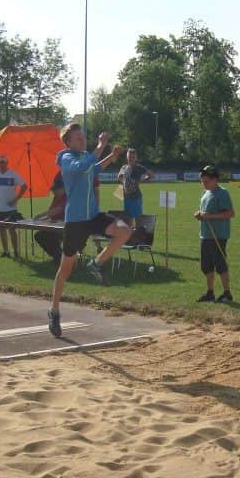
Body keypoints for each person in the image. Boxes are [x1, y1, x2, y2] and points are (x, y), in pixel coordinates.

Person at [48, 124, 129, 337]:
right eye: (77, 138)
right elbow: (84, 167)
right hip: (75, 221)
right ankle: (54, 310)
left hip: (93, 215)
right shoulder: (65, 158)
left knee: (124, 230)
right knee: (66, 269)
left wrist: (111, 155)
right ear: (68, 142)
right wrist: (101, 145)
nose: (82, 141)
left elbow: (94, 168)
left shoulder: (85, 156)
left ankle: (97, 263)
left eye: (83, 137)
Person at [194, 165, 234, 303]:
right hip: (205, 235)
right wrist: (200, 215)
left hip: (218, 235)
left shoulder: (222, 193)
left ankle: (227, 293)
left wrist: (209, 216)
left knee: (220, 265)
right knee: (206, 266)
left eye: (206, 181)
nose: (203, 184)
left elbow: (230, 213)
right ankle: (210, 292)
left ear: (215, 180)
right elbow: (205, 212)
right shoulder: (205, 193)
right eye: (202, 181)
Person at [0, 154, 27, 258]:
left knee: (12, 230)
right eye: (0, 162)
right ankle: (6, 251)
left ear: (7, 163)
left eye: (4, 162)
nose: (2, 164)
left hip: (11, 208)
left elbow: (24, 186)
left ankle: (16, 251)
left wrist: (15, 199)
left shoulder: (13, 174)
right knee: (1, 230)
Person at [34, 171, 67, 264]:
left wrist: (40, 216)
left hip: (65, 228)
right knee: (39, 235)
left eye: (55, 190)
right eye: (53, 190)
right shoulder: (56, 197)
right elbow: (51, 212)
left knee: (49, 236)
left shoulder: (67, 197)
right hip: (54, 226)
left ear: (63, 189)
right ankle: (57, 255)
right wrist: (41, 220)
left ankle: (59, 256)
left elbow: (58, 210)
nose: (53, 192)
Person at [117, 148, 152, 222]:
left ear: (136, 158)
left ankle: (139, 233)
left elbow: (151, 175)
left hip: (136, 198)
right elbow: (119, 177)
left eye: (133, 157)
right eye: (130, 157)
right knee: (127, 220)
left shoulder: (139, 168)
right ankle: (130, 233)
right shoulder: (124, 167)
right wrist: (125, 183)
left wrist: (141, 181)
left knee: (138, 220)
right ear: (127, 157)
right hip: (126, 198)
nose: (131, 159)